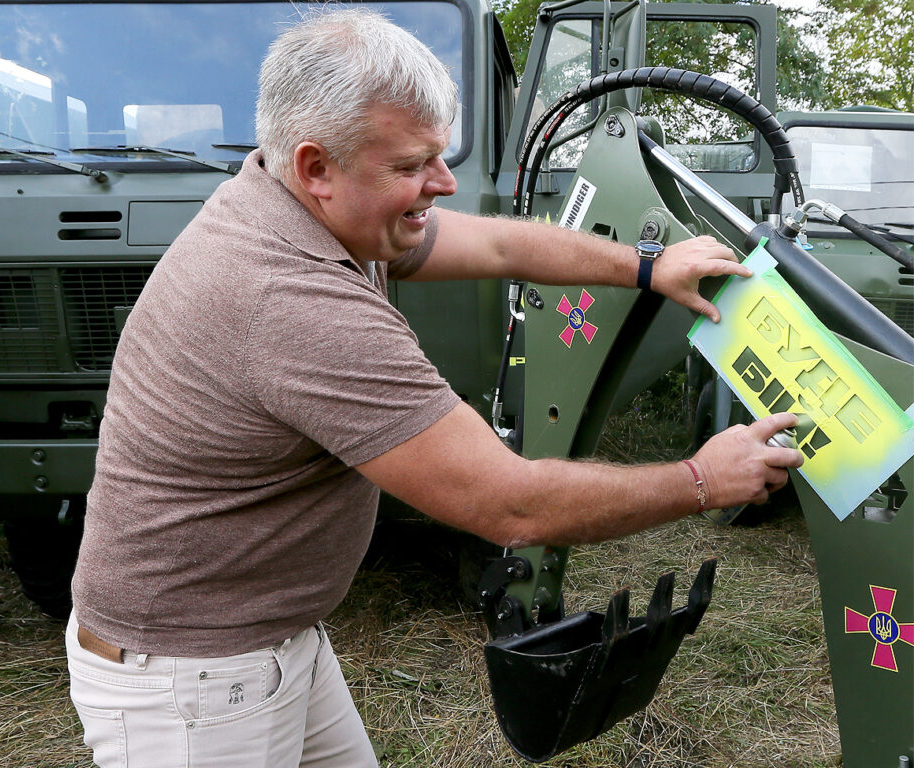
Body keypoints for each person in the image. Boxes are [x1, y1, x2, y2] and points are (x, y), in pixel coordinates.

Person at [65, 9, 803, 768]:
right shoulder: (288, 300)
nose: (442, 185)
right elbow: (510, 504)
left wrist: (647, 267)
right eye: (414, 165)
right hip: (193, 682)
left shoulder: (304, 203)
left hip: (265, 640)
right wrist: (702, 479)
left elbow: (500, 240)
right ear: (317, 167)